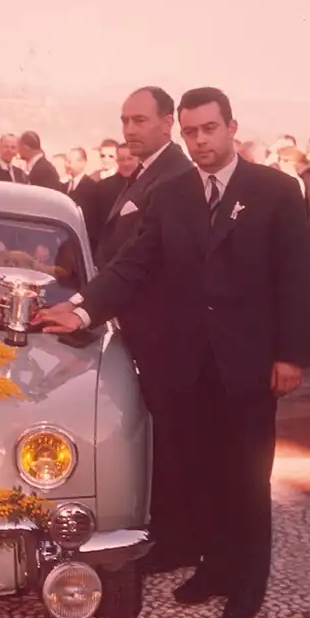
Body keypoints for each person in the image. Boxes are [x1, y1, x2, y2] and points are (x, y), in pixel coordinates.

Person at [41, 87, 310, 618]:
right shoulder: (172, 194)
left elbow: (297, 278)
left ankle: (247, 581)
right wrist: (82, 309)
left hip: (249, 362)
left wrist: (290, 355)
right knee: (202, 471)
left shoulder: (275, 190)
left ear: (232, 128)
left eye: (209, 129)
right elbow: (134, 263)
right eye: (190, 132)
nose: (200, 141)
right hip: (189, 360)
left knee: (247, 474)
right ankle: (212, 568)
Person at [83, 86, 196, 573]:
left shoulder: (174, 177)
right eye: (125, 121)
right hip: (141, 327)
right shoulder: (148, 173)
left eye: (140, 120)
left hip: (166, 332)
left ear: (168, 122)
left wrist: (86, 306)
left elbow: (147, 259)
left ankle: (178, 542)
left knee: (172, 439)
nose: (129, 130)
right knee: (159, 436)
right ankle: (167, 532)